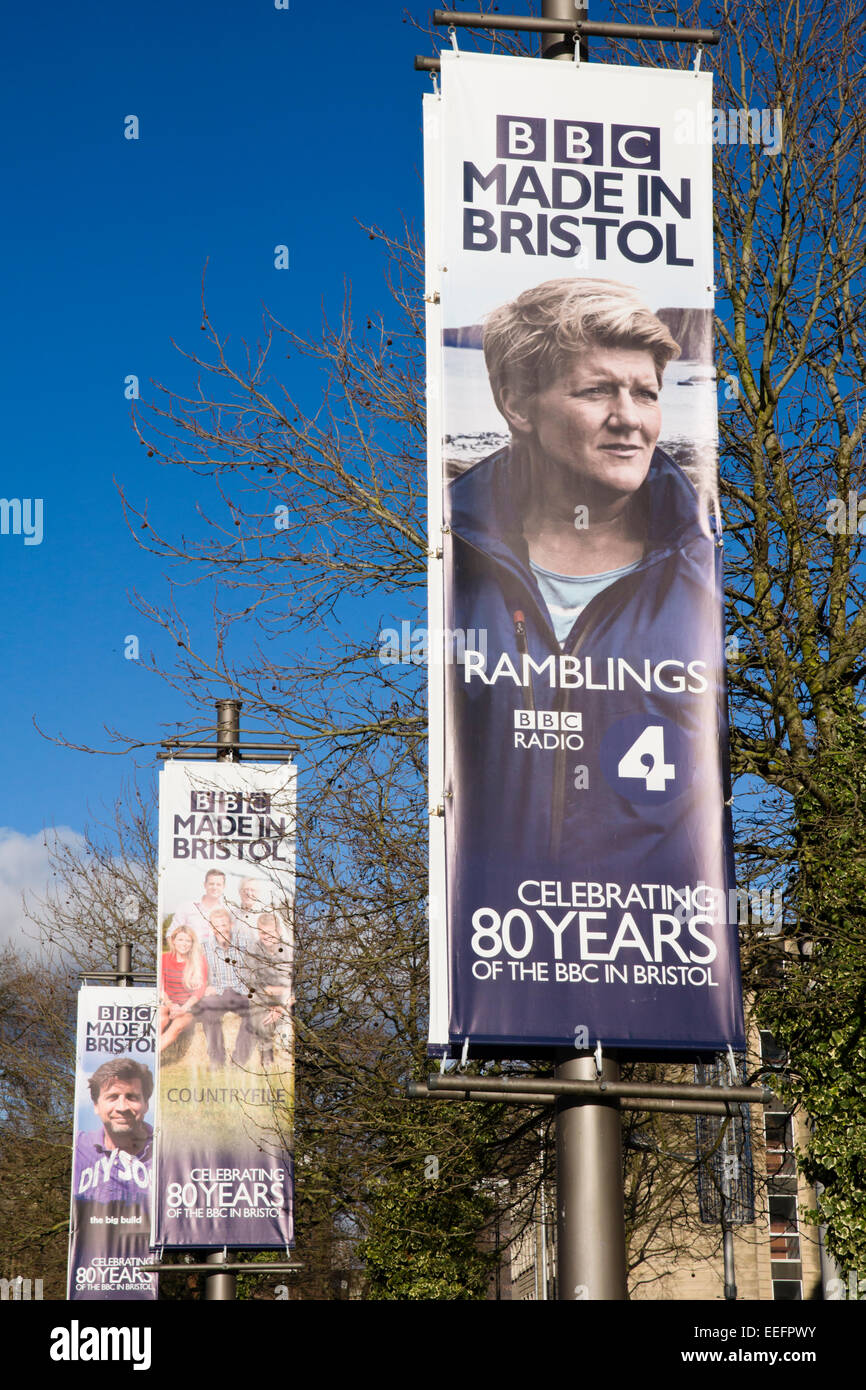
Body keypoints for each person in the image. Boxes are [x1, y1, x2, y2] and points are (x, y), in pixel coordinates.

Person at [445, 277, 734, 1047]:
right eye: (596, 391)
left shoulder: (701, 569)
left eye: (645, 393)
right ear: (517, 403)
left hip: (658, 960)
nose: (628, 419)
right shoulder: (450, 550)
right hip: (501, 957)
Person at [73, 1059, 154, 1204]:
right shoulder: (78, 1148)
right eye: (112, 1097)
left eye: (132, 1097)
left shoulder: (169, 1152)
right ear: (96, 1105)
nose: (122, 1107)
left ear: (146, 1105)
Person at [189, 906, 256, 1068]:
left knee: (256, 1012)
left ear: (231, 925)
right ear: (211, 928)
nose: (221, 929)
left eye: (224, 925)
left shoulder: (245, 942)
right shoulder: (203, 947)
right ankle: (216, 1059)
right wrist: (205, 986)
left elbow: (257, 967)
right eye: (217, 926)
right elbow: (196, 972)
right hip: (217, 992)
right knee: (207, 1009)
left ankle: (239, 1060)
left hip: (242, 992)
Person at [244, 912, 292, 1066]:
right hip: (264, 995)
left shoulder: (289, 949)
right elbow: (251, 981)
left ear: (278, 930)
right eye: (262, 932)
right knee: (257, 1006)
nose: (266, 936)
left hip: (288, 996)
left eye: (270, 931)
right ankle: (267, 1052)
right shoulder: (252, 949)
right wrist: (269, 991)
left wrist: (282, 1005)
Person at [159, 924, 207, 1053]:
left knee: (177, 1026)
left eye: (188, 940)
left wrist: (183, 1008)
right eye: (180, 939)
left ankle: (153, 1056)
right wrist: (170, 1005)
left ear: (192, 944)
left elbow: (199, 991)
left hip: (189, 1005)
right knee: (161, 1018)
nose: (184, 944)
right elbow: (160, 986)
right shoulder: (164, 959)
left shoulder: (199, 961)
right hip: (168, 1002)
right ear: (173, 940)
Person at [169, 868, 231, 944]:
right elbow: (171, 935)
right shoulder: (186, 907)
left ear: (224, 886)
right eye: (211, 884)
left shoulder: (229, 911)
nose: (214, 887)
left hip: (219, 954)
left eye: (218, 884)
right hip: (191, 955)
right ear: (205, 885)